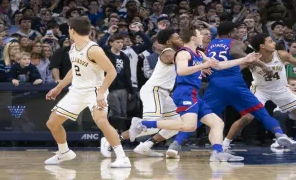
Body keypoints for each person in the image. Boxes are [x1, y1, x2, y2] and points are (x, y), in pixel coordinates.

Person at [166, 22, 296, 158]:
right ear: (232, 32)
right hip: (235, 84)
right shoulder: (235, 43)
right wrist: (261, 64)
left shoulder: (210, 45)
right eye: (237, 31)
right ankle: (280, 134)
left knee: (201, 118)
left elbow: (212, 63)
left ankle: (176, 144)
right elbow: (237, 54)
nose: (238, 34)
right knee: (260, 112)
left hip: (216, 86)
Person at [127, 25, 256, 162]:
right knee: (189, 126)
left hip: (194, 93)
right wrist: (203, 66)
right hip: (185, 92)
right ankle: (143, 124)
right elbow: (181, 71)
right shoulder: (183, 53)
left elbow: (219, 65)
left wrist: (244, 60)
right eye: (200, 35)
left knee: (217, 123)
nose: (203, 37)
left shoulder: (199, 54)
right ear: (193, 38)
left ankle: (217, 153)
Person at [43, 16, 131, 167]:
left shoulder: (94, 49)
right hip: (76, 91)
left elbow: (111, 72)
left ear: (72, 30)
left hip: (94, 90)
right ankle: (64, 152)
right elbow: (73, 71)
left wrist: (102, 92)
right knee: (52, 123)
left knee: (101, 121)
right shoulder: (73, 48)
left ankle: (122, 157)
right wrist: (58, 87)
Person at [222, 33, 296, 154]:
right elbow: (236, 68)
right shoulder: (252, 58)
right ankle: (225, 144)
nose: (274, 43)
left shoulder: (281, 54)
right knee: (247, 117)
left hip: (281, 89)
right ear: (262, 46)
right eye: (270, 41)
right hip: (260, 90)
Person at [100, 29, 182, 157]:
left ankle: (146, 146)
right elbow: (185, 63)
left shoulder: (178, 52)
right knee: (152, 126)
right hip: (154, 90)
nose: (180, 39)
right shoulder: (168, 52)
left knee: (177, 123)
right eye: (177, 37)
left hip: (164, 93)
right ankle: (111, 140)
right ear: (168, 41)